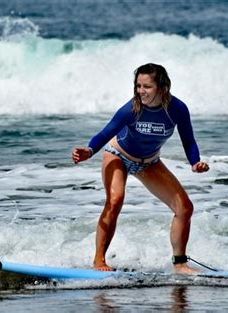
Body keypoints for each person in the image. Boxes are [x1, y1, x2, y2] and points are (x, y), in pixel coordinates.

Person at [72, 63, 209, 275]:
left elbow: (189, 141)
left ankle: (180, 264)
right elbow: (106, 132)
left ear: (162, 88)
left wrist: (195, 162)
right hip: (118, 155)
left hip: (150, 162)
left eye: (147, 87)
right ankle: (99, 261)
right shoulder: (131, 109)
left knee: (185, 208)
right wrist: (90, 150)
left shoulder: (177, 109)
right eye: (138, 86)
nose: (140, 91)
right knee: (115, 200)